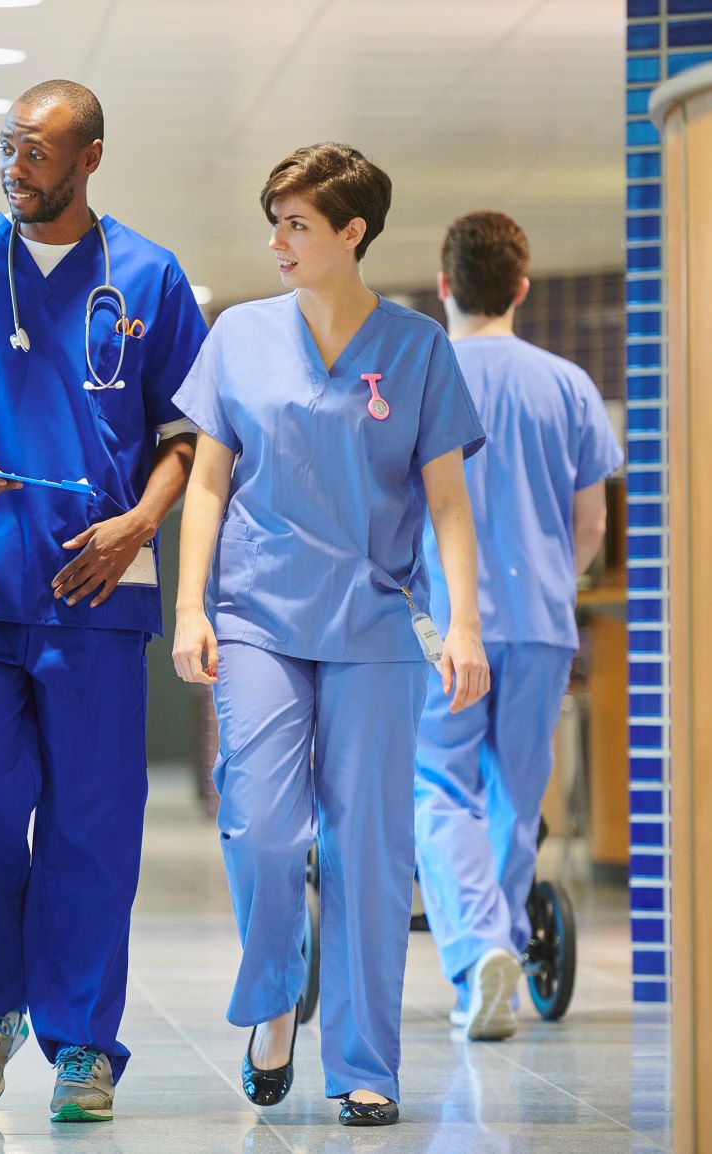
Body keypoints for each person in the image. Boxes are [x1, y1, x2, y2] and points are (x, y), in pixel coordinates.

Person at [0, 79, 208, 1124]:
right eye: (8, 146)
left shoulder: (150, 274)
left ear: (90, 158)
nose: (15, 165)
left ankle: (82, 1044)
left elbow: (188, 436)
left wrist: (140, 523)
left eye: (37, 150)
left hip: (98, 587)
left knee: (93, 822)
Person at [171, 143, 491, 1128]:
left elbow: (446, 504)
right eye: (275, 219)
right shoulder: (239, 336)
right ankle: (275, 994)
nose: (278, 239)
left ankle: (364, 1058)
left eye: (297, 223)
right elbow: (210, 480)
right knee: (262, 828)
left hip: (372, 620)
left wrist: (465, 622)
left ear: (352, 232)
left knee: (371, 848)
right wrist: (189, 604)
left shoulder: (417, 346)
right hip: (260, 619)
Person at [413, 212, 622, 1041]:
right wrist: (550, 582)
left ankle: (473, 954)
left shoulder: (419, 378)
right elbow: (593, 527)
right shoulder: (566, 384)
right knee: (515, 793)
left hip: (441, 628)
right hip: (539, 620)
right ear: (521, 289)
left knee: (438, 785)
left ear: (443, 285)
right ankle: (495, 946)